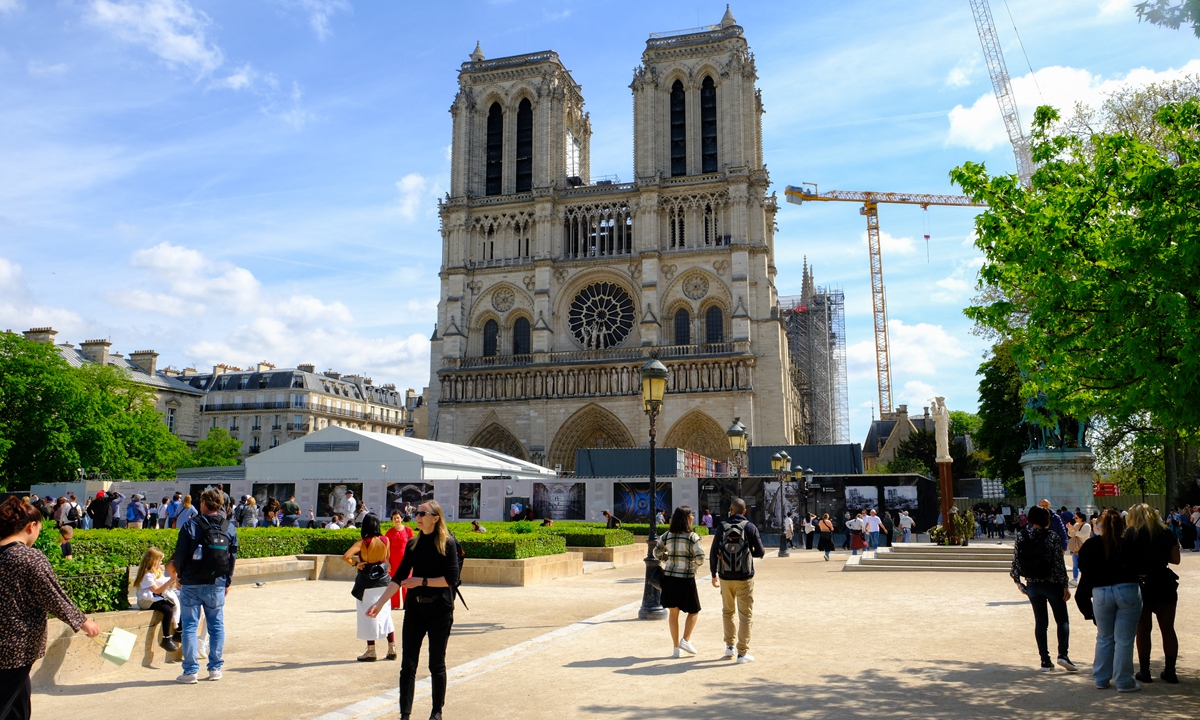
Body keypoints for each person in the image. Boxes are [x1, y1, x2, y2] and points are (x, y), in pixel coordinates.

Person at [0, 497, 101, 718]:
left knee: (18, 702)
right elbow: (53, 596)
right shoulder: (28, 557)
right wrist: (83, 621)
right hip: (16, 647)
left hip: (11, 648)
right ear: (31, 526)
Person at [367, 501, 461, 720]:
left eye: (422, 513)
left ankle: (436, 712)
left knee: (436, 664)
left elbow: (451, 579)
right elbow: (398, 577)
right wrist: (380, 603)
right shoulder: (412, 544)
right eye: (416, 513)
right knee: (407, 665)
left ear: (435, 518)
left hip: (440, 610)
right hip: (415, 610)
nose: (417, 516)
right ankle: (405, 715)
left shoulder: (448, 544)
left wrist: (421, 581)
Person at [167, 487, 237, 684]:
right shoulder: (229, 528)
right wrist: (227, 582)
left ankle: (190, 671)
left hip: (191, 581)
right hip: (217, 582)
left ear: (204, 504)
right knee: (216, 625)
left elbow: (180, 554)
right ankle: (215, 668)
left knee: (190, 625)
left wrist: (179, 576)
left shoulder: (191, 525)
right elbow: (232, 558)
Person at [1077, 509, 1141, 691]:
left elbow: (1084, 569)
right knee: (1124, 640)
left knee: (1104, 637)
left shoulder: (1090, 545)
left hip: (1100, 591)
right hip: (1127, 589)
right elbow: (1140, 567)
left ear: (1100, 526)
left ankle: (1101, 678)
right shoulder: (1128, 545)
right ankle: (1124, 681)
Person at [1011, 505, 1076, 673]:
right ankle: (1063, 654)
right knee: (1062, 620)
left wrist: (1018, 581)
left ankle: (1045, 660)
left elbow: (1016, 561)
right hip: (1052, 583)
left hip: (1032, 583)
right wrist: (1065, 585)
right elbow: (1058, 563)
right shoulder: (1052, 537)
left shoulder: (1022, 536)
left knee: (1041, 622)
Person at [1125, 503, 1181, 684]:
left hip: (1143, 584)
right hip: (1164, 582)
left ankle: (1144, 671)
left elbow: (1125, 561)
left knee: (1143, 629)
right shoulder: (1167, 533)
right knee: (1168, 629)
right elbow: (1176, 560)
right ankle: (1170, 671)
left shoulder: (1131, 533)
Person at [710, 497, 765, 664]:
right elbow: (761, 552)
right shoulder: (750, 527)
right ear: (745, 511)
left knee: (727, 612)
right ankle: (742, 653)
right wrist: (748, 554)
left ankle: (729, 646)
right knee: (745, 615)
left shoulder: (722, 527)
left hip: (725, 576)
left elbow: (713, 552)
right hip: (744, 577)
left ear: (730, 510)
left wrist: (714, 574)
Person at [654, 506, 705, 658]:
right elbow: (701, 558)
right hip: (686, 578)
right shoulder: (692, 536)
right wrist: (692, 565)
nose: (693, 517)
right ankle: (686, 639)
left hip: (669, 578)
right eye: (692, 515)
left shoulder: (667, 535)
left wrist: (667, 559)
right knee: (694, 610)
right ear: (687, 518)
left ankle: (676, 648)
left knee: (673, 612)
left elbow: (656, 552)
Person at [344, 514, 395, 661]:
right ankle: (392, 647)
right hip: (384, 581)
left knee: (367, 615)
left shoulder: (363, 542)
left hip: (367, 582)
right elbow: (388, 560)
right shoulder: (386, 540)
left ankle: (371, 650)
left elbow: (346, 556)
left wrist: (356, 564)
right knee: (386, 614)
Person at [135, 547, 181, 652]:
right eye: (159, 560)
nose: (161, 563)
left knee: (174, 605)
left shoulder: (156, 572)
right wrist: (171, 580)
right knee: (167, 609)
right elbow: (157, 591)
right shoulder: (147, 574)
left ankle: (178, 631)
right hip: (145, 601)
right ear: (153, 561)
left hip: (153, 598)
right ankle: (166, 638)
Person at [385, 511, 414, 610]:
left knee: (406, 583)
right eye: (394, 518)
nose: (397, 520)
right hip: (394, 562)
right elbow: (386, 549)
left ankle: (407, 605)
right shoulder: (389, 533)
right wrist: (387, 562)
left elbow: (412, 546)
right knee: (394, 583)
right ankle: (395, 605)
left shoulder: (407, 530)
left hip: (406, 561)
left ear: (401, 518)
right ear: (392, 520)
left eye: (398, 517)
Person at [1067, 510, 1092, 586]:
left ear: (1081, 518)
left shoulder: (1087, 526)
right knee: (1075, 564)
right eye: (1075, 518)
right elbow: (1072, 535)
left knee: (1084, 565)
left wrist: (1074, 529)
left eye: (1076, 517)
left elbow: (1083, 535)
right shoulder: (1075, 525)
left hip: (1084, 547)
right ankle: (1075, 579)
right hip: (1076, 548)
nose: (1075, 519)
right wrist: (1069, 529)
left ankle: (1086, 580)